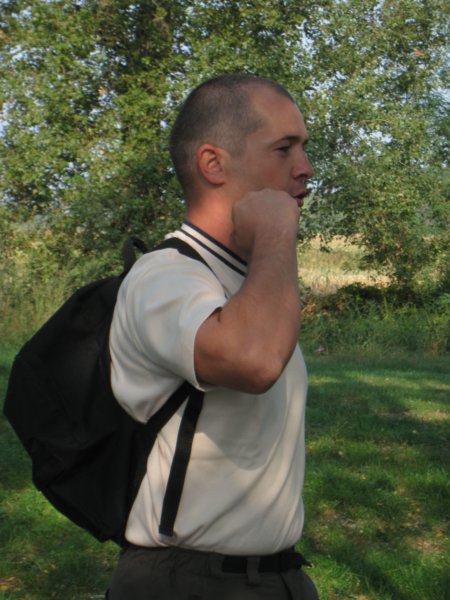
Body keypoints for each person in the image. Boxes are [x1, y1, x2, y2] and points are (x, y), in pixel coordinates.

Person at [106, 74, 318, 599]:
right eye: (284, 149)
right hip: (189, 583)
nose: (305, 168)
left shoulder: (247, 281)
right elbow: (255, 360)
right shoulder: (164, 276)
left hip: (277, 578)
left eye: (304, 148)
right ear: (213, 164)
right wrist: (276, 229)